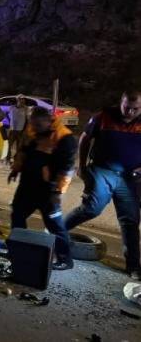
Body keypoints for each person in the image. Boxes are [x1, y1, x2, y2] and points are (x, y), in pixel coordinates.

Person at [64, 91, 141, 280]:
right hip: (102, 171)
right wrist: (81, 166)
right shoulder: (103, 117)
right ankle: (55, 231)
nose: (130, 112)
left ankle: (133, 266)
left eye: (136, 108)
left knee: (130, 221)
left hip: (129, 178)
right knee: (91, 208)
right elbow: (84, 139)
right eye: (127, 107)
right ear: (120, 103)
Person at [8, 107, 77, 270]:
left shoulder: (64, 138)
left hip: (48, 190)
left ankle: (65, 259)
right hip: (27, 186)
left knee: (54, 224)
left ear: (49, 120)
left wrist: (58, 192)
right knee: (17, 215)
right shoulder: (32, 131)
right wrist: (15, 170)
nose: (35, 128)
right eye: (33, 124)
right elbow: (23, 153)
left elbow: (66, 168)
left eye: (39, 125)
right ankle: (17, 250)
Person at [7, 96, 28, 163]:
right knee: (9, 146)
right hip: (12, 130)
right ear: (17, 100)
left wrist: (25, 130)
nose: (22, 101)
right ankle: (8, 159)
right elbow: (8, 116)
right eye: (21, 100)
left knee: (19, 147)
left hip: (20, 130)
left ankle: (16, 160)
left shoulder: (26, 109)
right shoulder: (12, 108)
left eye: (23, 100)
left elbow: (27, 119)